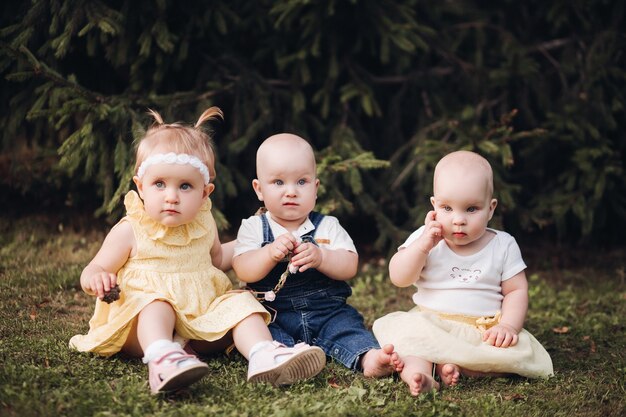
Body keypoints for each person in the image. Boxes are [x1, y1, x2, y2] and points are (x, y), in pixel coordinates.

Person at [69, 109, 325, 394]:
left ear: (205, 192)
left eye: (185, 186)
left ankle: (262, 354)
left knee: (241, 303)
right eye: (159, 184)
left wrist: (259, 247)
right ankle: (163, 358)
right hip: (139, 329)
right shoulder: (132, 229)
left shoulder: (203, 223)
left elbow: (217, 259)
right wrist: (97, 279)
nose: (171, 196)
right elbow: (93, 269)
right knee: (158, 305)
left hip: (199, 320)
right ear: (140, 187)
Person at [373, 150, 553, 396]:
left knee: (508, 356)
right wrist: (423, 246)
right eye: (447, 208)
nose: (458, 220)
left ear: (490, 209)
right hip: (431, 323)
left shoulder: (503, 244)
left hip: (481, 331)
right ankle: (423, 376)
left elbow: (516, 290)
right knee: (411, 348)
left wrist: (509, 326)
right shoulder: (424, 239)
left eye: (471, 209)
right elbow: (399, 277)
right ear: (434, 206)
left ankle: (452, 365)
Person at [232, 133, 403, 377]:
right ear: (259, 189)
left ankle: (369, 357)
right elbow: (243, 268)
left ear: (315, 187)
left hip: (326, 311)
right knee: (262, 331)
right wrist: (269, 253)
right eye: (278, 183)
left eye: (301, 182)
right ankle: (280, 357)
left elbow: (349, 265)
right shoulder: (254, 227)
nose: (290, 192)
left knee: (346, 328)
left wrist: (322, 258)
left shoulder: (327, 226)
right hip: (275, 314)